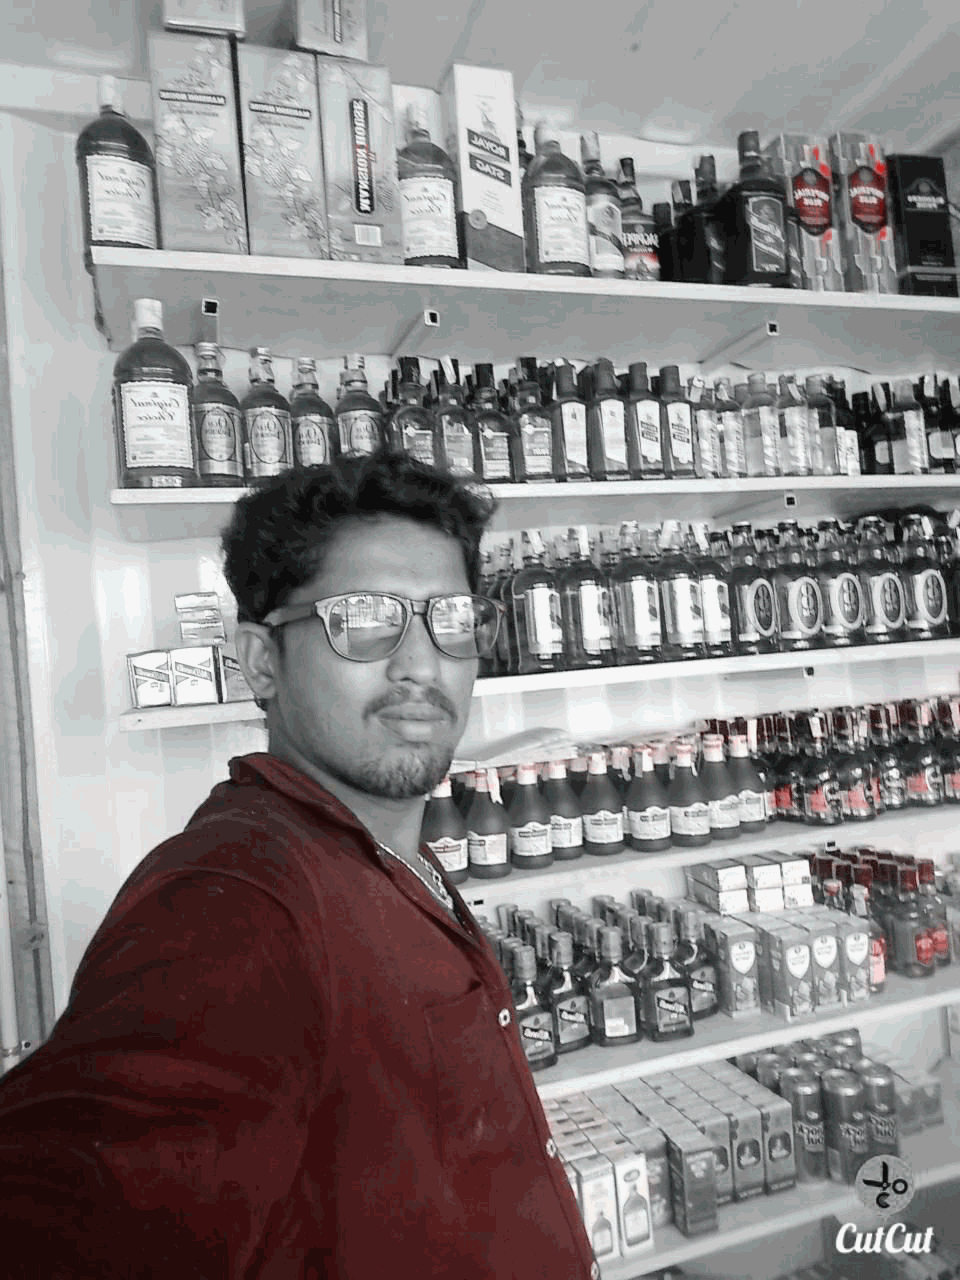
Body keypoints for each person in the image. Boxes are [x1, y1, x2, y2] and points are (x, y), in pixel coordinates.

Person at [0, 451, 596, 1280]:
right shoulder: (235, 904)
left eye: (451, 618)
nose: (422, 664)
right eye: (364, 618)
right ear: (260, 662)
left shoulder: (384, 850)